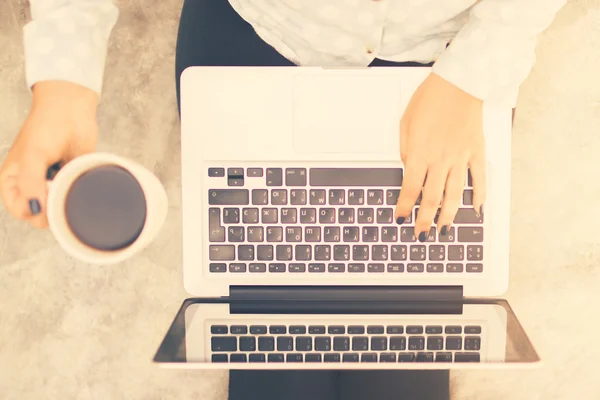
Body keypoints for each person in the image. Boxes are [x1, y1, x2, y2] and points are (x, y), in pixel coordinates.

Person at [0, 0, 566, 399]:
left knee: (401, 368)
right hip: (258, 28)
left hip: (443, 63)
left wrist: (471, 76)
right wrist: (64, 84)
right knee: (275, 356)